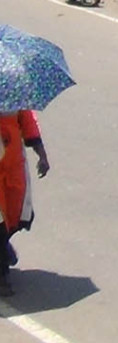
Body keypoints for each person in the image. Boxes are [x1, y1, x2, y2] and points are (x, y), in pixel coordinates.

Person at [0, 110, 50, 297]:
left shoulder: (13, 98)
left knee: (17, 215)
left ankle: (3, 245)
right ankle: (2, 274)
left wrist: (42, 154)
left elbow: (28, 122)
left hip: (13, 167)